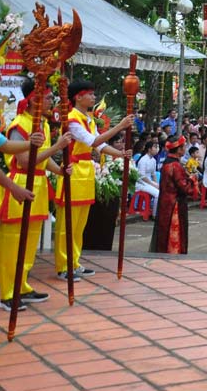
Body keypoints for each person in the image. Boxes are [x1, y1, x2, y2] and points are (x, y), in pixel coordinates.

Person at [0, 80, 73, 310]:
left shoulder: (41, 124)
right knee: (13, 242)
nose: (52, 101)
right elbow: (24, 160)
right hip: (20, 182)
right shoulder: (20, 124)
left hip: (39, 185)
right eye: (49, 97)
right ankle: (7, 292)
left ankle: (21, 286)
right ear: (33, 99)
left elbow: (43, 158)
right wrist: (56, 147)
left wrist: (59, 169)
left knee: (30, 241)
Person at [57, 80, 134, 280]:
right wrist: (120, 126)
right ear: (78, 97)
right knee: (69, 223)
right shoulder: (71, 119)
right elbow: (93, 141)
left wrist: (119, 154)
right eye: (89, 94)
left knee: (80, 222)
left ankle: (74, 261)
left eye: (93, 93)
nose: (93, 97)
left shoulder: (88, 119)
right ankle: (63, 265)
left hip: (85, 172)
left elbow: (98, 147)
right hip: (72, 171)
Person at [149, 134, 199, 253]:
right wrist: (192, 180)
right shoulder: (175, 166)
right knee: (173, 230)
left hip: (165, 201)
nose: (185, 148)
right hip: (174, 203)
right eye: (184, 146)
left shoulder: (167, 163)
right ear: (179, 149)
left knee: (164, 229)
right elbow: (185, 188)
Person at [135, 139, 161, 217]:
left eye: (157, 147)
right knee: (158, 194)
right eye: (155, 147)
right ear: (149, 149)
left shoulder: (153, 160)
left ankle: (158, 212)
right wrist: (153, 184)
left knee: (162, 190)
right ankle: (154, 215)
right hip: (141, 183)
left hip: (149, 182)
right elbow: (142, 176)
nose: (157, 149)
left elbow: (153, 174)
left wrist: (156, 183)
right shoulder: (143, 160)